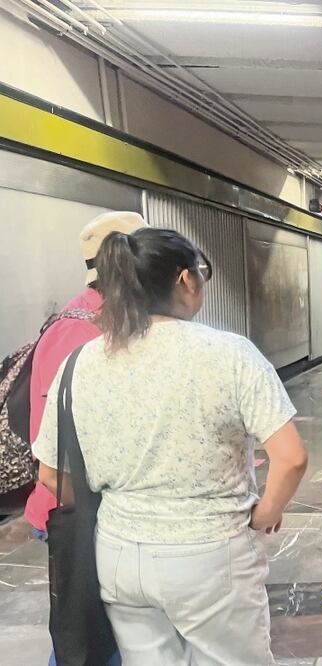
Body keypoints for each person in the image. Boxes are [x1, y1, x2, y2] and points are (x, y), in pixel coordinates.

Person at [32, 227, 308, 665]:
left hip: (120, 557)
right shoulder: (229, 354)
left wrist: (123, 515)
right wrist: (265, 514)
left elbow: (50, 474)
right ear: (185, 279)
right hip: (210, 555)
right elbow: (291, 458)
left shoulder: (80, 362)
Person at [24, 211, 146, 666]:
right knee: (90, 639)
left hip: (86, 504)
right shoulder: (83, 332)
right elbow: (68, 451)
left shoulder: (95, 318)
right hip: (78, 508)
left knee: (93, 631)